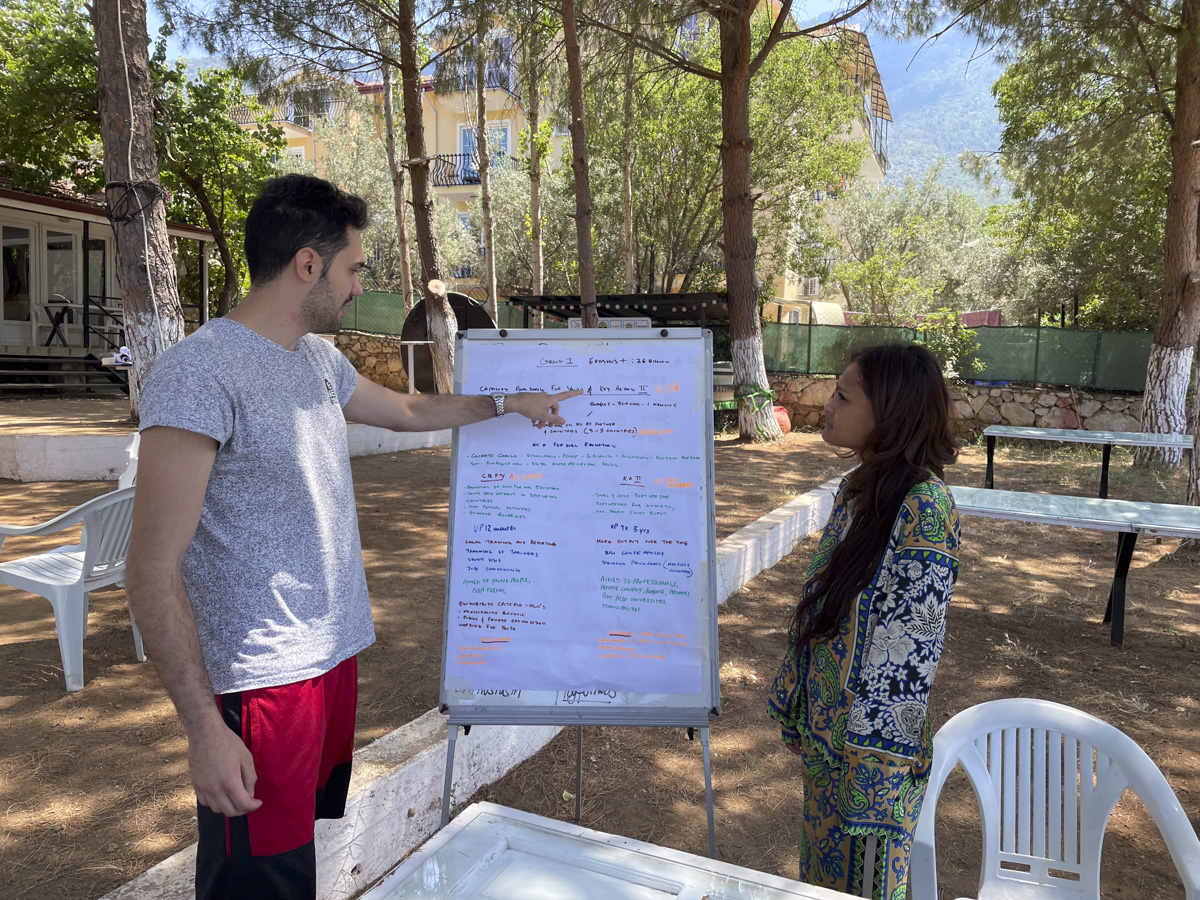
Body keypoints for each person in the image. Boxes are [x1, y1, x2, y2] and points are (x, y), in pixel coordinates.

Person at [125, 174, 581, 900]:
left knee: (292, 862)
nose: (358, 287)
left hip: (329, 662)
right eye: (354, 269)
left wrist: (507, 402)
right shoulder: (198, 372)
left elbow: (406, 410)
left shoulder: (316, 359)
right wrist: (204, 728)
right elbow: (151, 568)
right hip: (262, 684)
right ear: (308, 264)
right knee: (259, 881)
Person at [767, 343, 961, 900]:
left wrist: (871, 786)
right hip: (828, 749)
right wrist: (798, 704)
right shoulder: (858, 491)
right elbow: (824, 608)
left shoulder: (925, 510)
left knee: (862, 890)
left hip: (870, 774)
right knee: (819, 885)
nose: (828, 405)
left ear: (890, 413)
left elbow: (907, 663)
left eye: (843, 396)